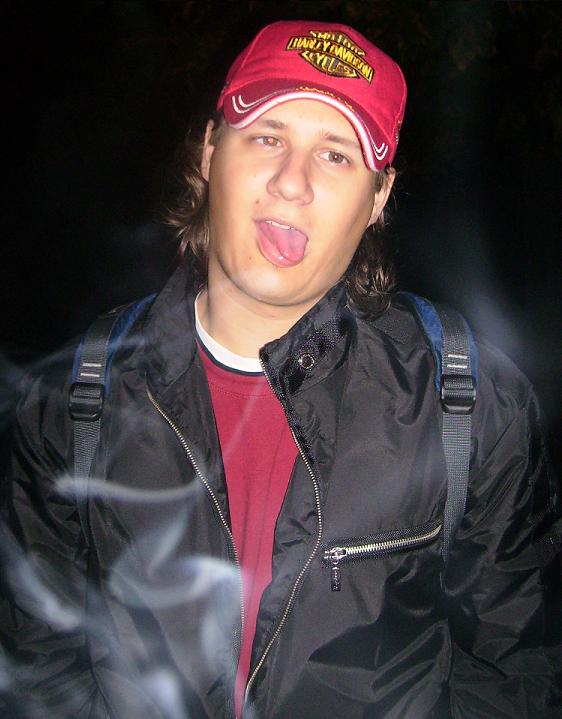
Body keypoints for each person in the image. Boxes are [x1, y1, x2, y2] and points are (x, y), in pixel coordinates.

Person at [1, 19, 560, 719]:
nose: (292, 182)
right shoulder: (74, 398)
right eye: (267, 137)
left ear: (378, 198)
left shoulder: (468, 404)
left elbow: (519, 670)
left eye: (335, 155)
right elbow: (37, 669)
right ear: (210, 151)